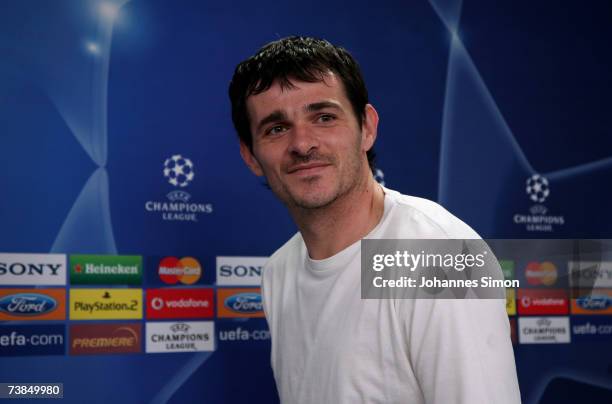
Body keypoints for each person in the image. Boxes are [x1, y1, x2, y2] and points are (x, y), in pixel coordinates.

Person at [229, 36, 521, 403]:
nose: (302, 144)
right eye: (276, 128)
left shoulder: (438, 256)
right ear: (250, 155)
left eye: (324, 117)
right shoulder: (279, 271)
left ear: (367, 127)